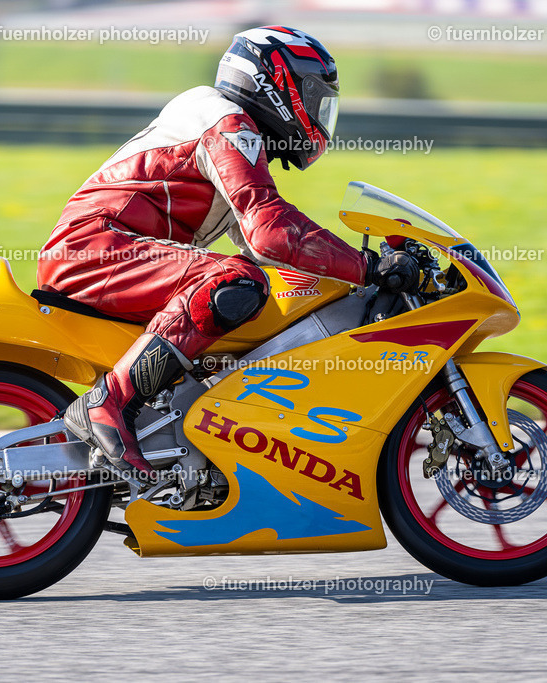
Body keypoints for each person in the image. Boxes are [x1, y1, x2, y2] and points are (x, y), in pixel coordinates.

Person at [37, 26, 419, 479]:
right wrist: (370, 266)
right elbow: (271, 231)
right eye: (313, 98)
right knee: (234, 284)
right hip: (94, 248)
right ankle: (107, 403)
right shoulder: (227, 122)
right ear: (277, 84)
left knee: (257, 291)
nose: (318, 115)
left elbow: (270, 244)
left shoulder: (227, 125)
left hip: (101, 250)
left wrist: (347, 279)